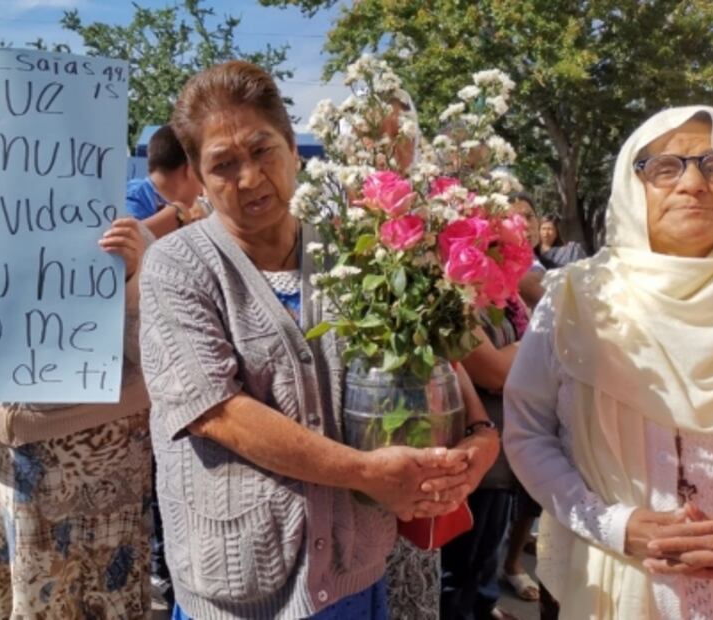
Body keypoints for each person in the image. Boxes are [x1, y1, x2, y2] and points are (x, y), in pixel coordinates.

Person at [139, 60, 499, 619]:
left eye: (262, 151)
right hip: (245, 586)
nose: (250, 178)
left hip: (356, 571)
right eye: (224, 164)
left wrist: (477, 432)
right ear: (198, 175)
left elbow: (423, 351)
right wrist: (365, 474)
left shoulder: (354, 250)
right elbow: (217, 411)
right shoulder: (178, 266)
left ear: (291, 145)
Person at [505, 106, 713, 618]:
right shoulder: (576, 301)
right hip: (603, 581)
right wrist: (615, 525)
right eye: (666, 168)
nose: (692, 183)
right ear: (632, 187)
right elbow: (526, 431)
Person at [0, 219, 152, 618]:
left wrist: (132, 276)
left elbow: (154, 349)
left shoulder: (125, 232)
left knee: (96, 596)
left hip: (97, 455)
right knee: (16, 593)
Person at [440, 288, 531, 619]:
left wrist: (516, 356)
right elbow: (493, 370)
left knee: (484, 557)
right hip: (472, 456)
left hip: (504, 454)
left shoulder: (503, 291)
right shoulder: (449, 292)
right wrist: (527, 349)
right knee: (458, 570)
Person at [126, 124, 205, 238]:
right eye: (201, 174)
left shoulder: (140, 193)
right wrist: (178, 213)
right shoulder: (133, 196)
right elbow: (118, 241)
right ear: (190, 170)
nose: (203, 187)